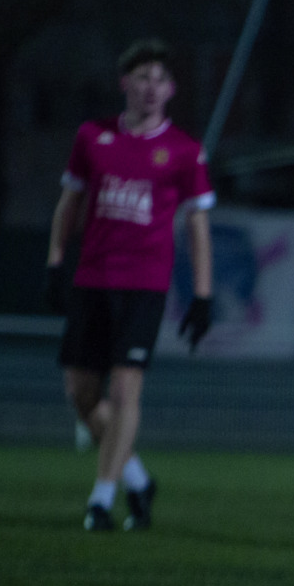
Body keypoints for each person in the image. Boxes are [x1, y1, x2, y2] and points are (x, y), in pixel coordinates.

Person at [44, 37, 215, 532]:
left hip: (144, 286)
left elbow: (198, 226)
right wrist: (55, 262)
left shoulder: (184, 151)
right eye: (142, 77)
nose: (151, 88)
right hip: (93, 279)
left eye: (160, 79)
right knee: (81, 393)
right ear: (125, 83)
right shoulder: (93, 137)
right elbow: (69, 203)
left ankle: (101, 499)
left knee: (124, 390)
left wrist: (202, 295)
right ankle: (137, 478)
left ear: (172, 89)